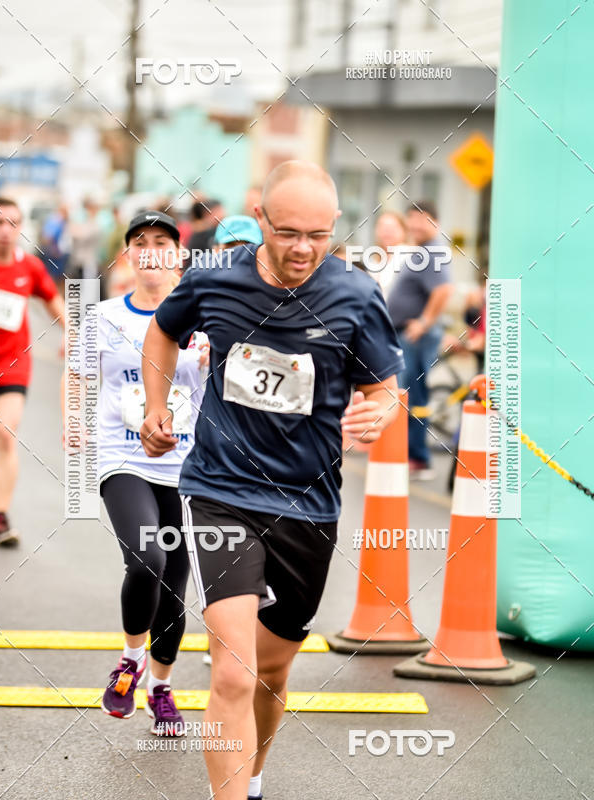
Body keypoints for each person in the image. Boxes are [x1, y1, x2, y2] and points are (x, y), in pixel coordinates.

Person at [139, 161, 405, 800]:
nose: (302, 249)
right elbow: (162, 331)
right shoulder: (214, 282)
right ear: (261, 219)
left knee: (270, 675)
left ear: (335, 228)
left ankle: (252, 775)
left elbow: (385, 387)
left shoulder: (355, 295)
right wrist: (157, 406)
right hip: (221, 490)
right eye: (288, 232)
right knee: (233, 674)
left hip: (308, 503)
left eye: (317, 235)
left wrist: (379, 410)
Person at [64, 210, 208, 734]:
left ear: (179, 256)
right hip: (122, 458)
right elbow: (77, 376)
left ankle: (162, 689)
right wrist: (73, 426)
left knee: (175, 582)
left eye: (162, 242)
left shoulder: (205, 318)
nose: (151, 251)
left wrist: (214, 358)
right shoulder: (102, 316)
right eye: (140, 242)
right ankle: (130, 660)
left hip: (188, 466)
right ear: (128, 255)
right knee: (147, 556)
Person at [0, 197, 65, 546]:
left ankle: (1, 517)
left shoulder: (30, 267)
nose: (5, 231)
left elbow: (55, 303)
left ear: (21, 228)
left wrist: (74, 334)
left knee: (5, 434)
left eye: (12, 223)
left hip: (11, 364)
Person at [386, 200, 453, 480]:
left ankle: (418, 458)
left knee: (412, 395)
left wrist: (423, 323)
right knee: (409, 394)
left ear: (434, 223)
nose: (414, 224)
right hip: (407, 335)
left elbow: (443, 291)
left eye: (420, 219)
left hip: (416, 337)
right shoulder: (422, 251)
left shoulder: (433, 251)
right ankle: (410, 455)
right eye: (410, 218)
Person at [371, 211, 408, 297]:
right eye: (383, 227)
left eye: (392, 228)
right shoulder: (373, 260)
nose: (387, 232)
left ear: (404, 231)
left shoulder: (409, 255)